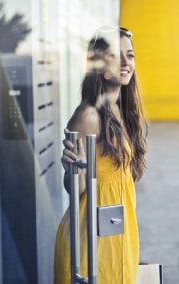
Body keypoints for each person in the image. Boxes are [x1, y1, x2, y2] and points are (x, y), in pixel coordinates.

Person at [54, 26, 148, 284]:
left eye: (130, 55)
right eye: (115, 56)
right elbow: (76, 187)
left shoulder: (118, 111)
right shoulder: (88, 115)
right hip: (90, 245)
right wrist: (73, 167)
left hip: (118, 233)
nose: (125, 62)